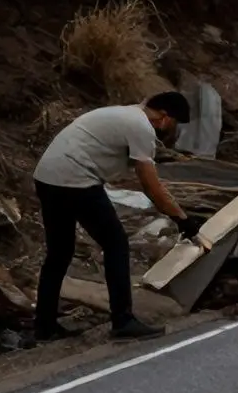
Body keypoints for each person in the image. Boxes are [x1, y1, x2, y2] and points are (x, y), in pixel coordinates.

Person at [32, 92, 198, 343]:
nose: (171, 130)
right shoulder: (141, 127)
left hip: (47, 177)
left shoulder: (127, 114)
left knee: (59, 252)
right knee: (116, 244)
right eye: (173, 124)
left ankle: (44, 327)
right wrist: (182, 219)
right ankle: (123, 321)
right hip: (75, 179)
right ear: (165, 117)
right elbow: (151, 186)